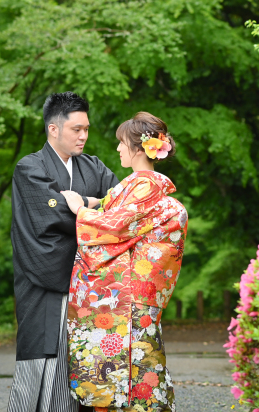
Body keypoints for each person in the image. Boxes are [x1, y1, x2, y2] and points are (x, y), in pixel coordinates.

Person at [60, 112, 188, 412]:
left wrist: (80, 209)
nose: (118, 149)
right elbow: (110, 205)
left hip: (131, 293)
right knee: (132, 365)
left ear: (140, 148)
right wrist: (94, 203)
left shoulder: (147, 185)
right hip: (137, 292)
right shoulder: (139, 185)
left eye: (122, 143)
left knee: (133, 366)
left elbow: (114, 226)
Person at [8, 92, 119, 412]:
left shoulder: (94, 167)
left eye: (87, 129)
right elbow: (51, 219)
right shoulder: (29, 168)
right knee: (41, 365)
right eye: (77, 129)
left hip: (87, 287)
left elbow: (121, 208)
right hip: (45, 280)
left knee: (85, 361)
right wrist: (93, 210)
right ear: (53, 129)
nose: (84, 136)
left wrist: (81, 203)